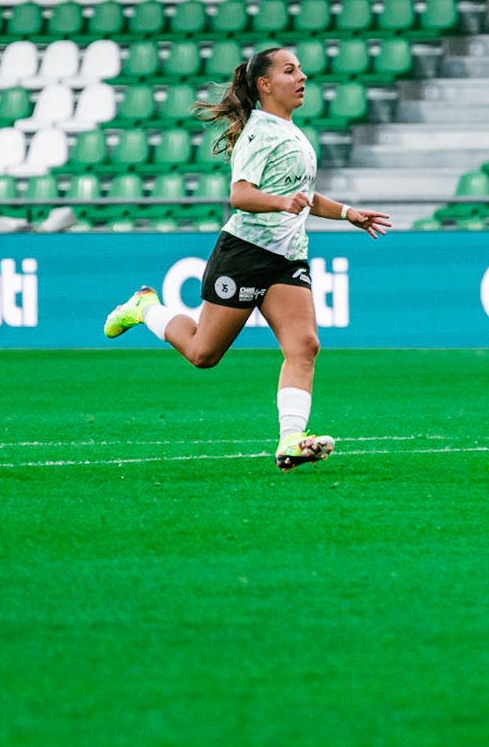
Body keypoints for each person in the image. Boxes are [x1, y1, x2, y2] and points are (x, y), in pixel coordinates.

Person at [102, 46, 394, 471]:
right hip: (245, 253)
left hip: (286, 257)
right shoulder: (258, 133)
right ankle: (145, 307)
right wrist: (280, 203)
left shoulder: (291, 131)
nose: (303, 77)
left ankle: (291, 439)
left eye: (301, 70)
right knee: (204, 353)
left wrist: (349, 214)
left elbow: (303, 196)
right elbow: (240, 195)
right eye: (290, 71)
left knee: (305, 345)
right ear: (265, 85)